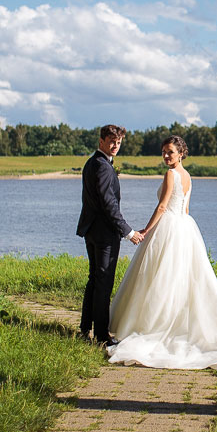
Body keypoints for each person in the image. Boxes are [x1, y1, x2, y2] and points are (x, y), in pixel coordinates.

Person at [107, 135, 217, 369]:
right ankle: (176, 325)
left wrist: (146, 229)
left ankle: (152, 327)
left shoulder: (171, 175)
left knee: (158, 278)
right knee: (178, 279)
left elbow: (163, 206)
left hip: (168, 226)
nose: (166, 156)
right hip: (185, 228)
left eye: (170, 152)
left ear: (180, 153)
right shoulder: (188, 177)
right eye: (163, 152)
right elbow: (185, 208)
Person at [76, 124, 144, 345]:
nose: (115, 146)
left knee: (94, 280)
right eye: (112, 141)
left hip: (92, 230)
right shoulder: (103, 166)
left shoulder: (92, 162)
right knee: (103, 283)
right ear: (101, 141)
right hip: (104, 234)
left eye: (119, 142)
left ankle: (85, 328)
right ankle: (102, 336)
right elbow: (109, 204)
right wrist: (128, 232)